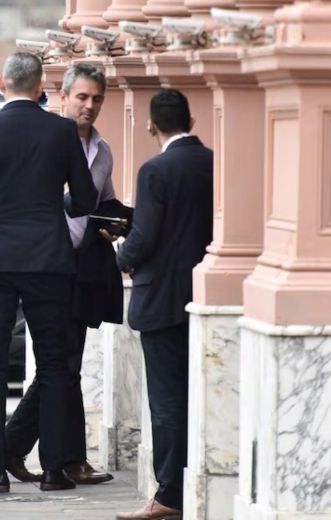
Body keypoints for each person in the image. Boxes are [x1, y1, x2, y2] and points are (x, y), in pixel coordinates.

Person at [0, 52, 98, 493]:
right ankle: (54, 470)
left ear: (1, 84)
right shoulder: (62, 131)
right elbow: (86, 200)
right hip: (49, 262)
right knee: (53, 363)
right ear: (40, 89)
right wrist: (59, 206)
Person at [4, 62, 125, 486]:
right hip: (46, 266)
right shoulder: (43, 141)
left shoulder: (103, 152)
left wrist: (120, 222)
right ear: (62, 97)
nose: (89, 106)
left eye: (96, 100)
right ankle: (22, 447)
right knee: (62, 364)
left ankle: (55, 455)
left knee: (65, 365)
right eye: (82, 97)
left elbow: (103, 202)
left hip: (82, 269)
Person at [114, 89, 213, 520]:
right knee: (193, 398)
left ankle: (168, 495)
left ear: (151, 125)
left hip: (161, 300)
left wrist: (119, 256)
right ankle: (186, 483)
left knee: (167, 402)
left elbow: (145, 236)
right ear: (191, 121)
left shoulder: (155, 170)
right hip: (203, 296)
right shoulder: (212, 162)